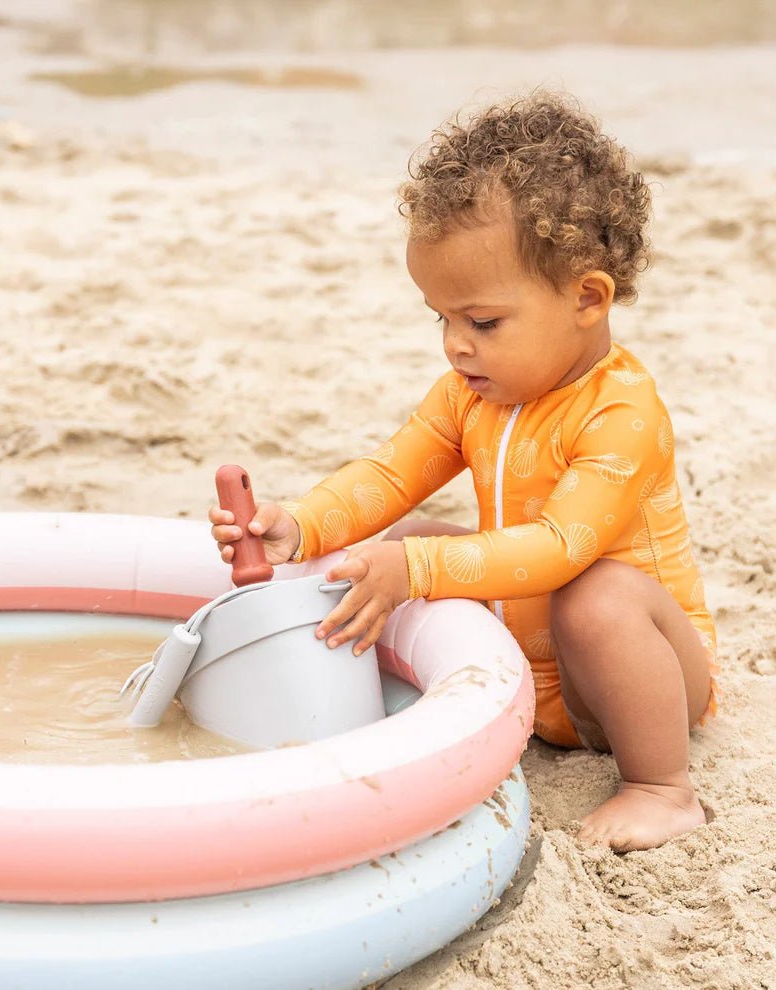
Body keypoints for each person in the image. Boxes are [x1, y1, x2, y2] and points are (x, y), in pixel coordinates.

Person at [210, 91, 719, 852]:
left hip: (634, 684)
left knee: (594, 595)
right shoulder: (471, 394)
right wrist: (302, 523)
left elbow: (557, 550)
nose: (455, 345)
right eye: (440, 317)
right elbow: (388, 475)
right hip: (536, 663)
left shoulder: (622, 413)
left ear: (587, 298)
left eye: (482, 321)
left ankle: (660, 788)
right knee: (410, 535)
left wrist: (418, 567)